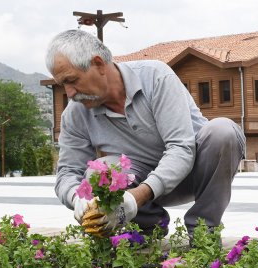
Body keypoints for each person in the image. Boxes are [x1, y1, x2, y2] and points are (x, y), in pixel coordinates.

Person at [46, 29, 245, 238]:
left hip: (195, 173)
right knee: (100, 173)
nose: (69, 93)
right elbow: (67, 173)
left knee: (223, 131)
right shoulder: (75, 113)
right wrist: (77, 198)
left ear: (98, 64)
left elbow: (181, 148)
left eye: (72, 80)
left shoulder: (155, 77)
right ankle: (147, 229)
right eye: (63, 85)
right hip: (138, 186)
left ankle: (204, 233)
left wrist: (136, 197)